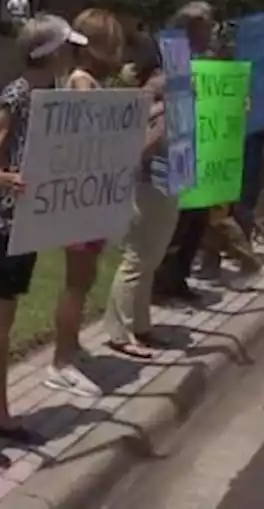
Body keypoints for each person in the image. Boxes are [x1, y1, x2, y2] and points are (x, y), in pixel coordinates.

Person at [0, 14, 86, 467]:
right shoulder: (20, 95)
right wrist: (11, 180)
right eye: (68, 48)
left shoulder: (50, 96)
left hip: (22, 228)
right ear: (49, 53)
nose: (74, 55)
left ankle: (0, 415)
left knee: (3, 327)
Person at [44, 8, 125, 396]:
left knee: (84, 277)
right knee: (76, 281)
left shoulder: (87, 80)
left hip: (88, 196)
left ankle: (70, 346)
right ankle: (60, 361)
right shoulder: (82, 83)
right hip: (80, 199)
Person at [104, 35, 180, 359]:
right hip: (148, 184)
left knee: (150, 258)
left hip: (165, 181)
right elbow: (141, 144)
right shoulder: (152, 97)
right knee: (138, 258)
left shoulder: (165, 96)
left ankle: (140, 325)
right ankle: (120, 331)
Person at [153, 1, 217, 304]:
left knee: (196, 218)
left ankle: (179, 279)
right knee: (175, 223)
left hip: (193, 145)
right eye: (208, 26)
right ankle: (161, 284)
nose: (213, 31)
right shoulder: (169, 59)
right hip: (170, 149)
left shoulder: (204, 61)